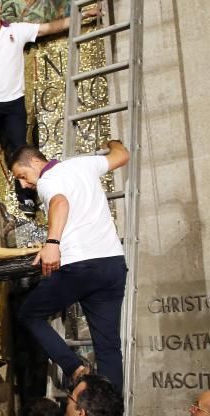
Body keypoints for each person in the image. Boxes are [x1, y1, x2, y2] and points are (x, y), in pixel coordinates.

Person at [9, 141, 130, 391]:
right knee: (108, 347)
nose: (24, 184)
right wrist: (113, 143)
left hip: (80, 267)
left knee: (29, 314)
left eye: (22, 176)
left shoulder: (48, 179)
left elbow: (60, 203)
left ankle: (74, 367)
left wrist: (51, 243)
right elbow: (121, 156)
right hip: (112, 265)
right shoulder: (85, 164)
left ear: (35, 162)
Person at [0, 0, 98, 213]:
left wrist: (84, 15)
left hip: (14, 102)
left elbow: (50, 27)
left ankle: (26, 197)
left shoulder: (16, 30)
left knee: (19, 150)